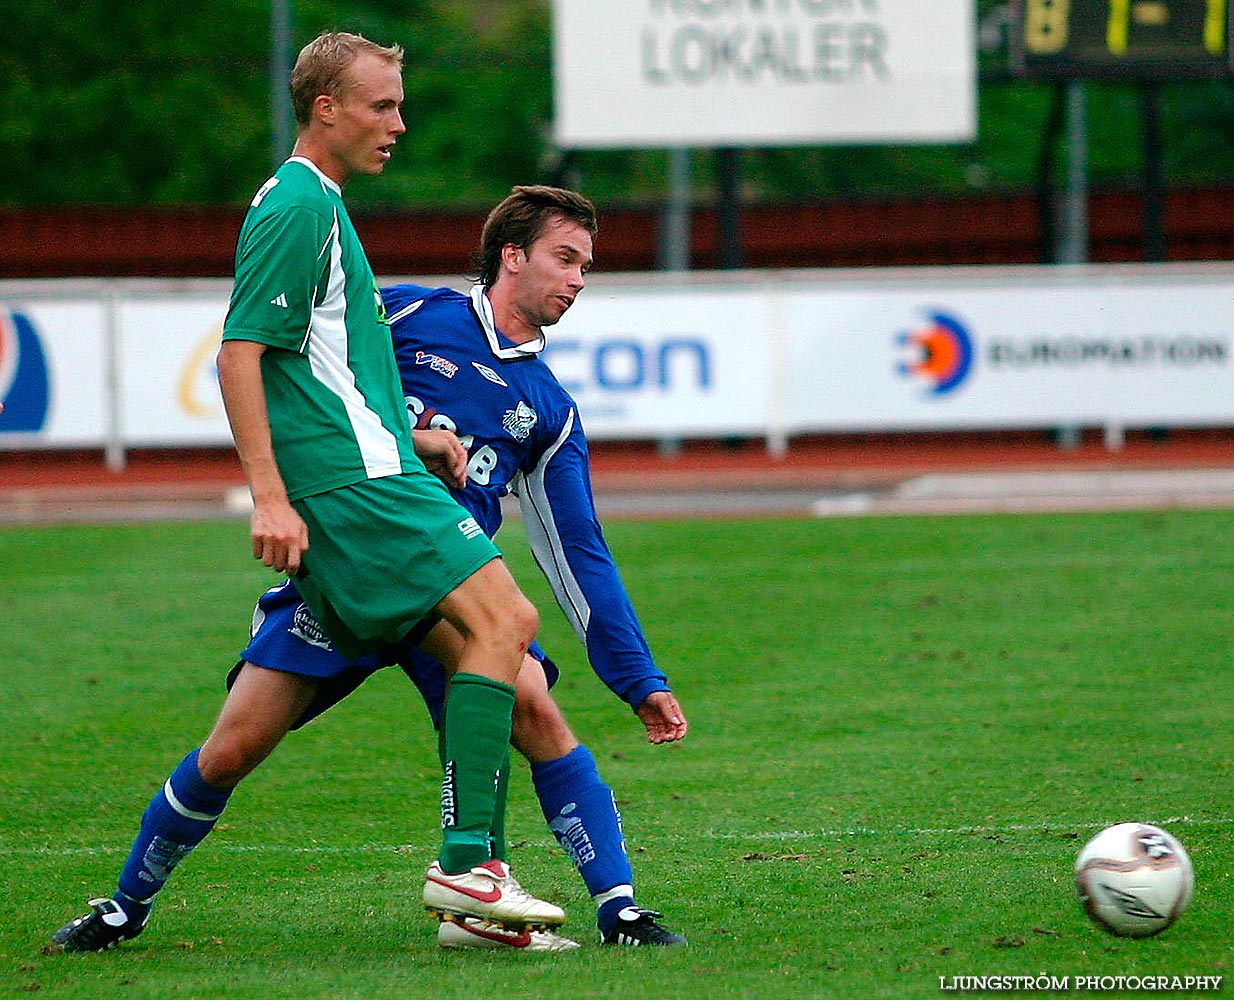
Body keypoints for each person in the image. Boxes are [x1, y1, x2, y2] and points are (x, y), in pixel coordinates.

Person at [52, 32, 561, 953]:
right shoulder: (295, 205)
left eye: (400, 106)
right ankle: (467, 866)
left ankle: (131, 902)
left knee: (242, 741)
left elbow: (322, 372)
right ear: (326, 107)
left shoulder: (320, 204)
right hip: (354, 492)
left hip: (375, 471)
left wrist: (417, 439)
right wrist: (271, 497)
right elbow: (241, 353)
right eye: (381, 106)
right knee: (504, 625)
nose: (399, 124)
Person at [238, 184, 690, 950]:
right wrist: (401, 445)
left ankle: (616, 910)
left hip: (455, 591)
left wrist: (638, 676)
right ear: (512, 256)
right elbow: (315, 380)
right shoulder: (407, 314)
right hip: (356, 568)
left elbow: (578, 555)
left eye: (588, 264)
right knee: (232, 749)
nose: (580, 278)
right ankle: (126, 904)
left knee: (536, 709)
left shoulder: (547, 408)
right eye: (566, 257)